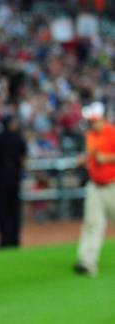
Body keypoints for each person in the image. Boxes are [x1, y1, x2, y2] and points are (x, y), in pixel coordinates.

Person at [74, 102, 115, 276]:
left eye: (95, 120)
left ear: (102, 118)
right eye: (91, 120)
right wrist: (84, 160)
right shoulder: (90, 135)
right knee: (92, 223)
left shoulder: (112, 133)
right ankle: (87, 262)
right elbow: (91, 155)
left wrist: (107, 158)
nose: (92, 123)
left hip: (112, 185)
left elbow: (104, 157)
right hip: (95, 185)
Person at [0, 115, 27, 248]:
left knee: (2, 209)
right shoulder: (19, 138)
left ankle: (4, 239)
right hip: (15, 178)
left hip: (0, 178)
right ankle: (15, 238)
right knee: (14, 209)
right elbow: (24, 160)